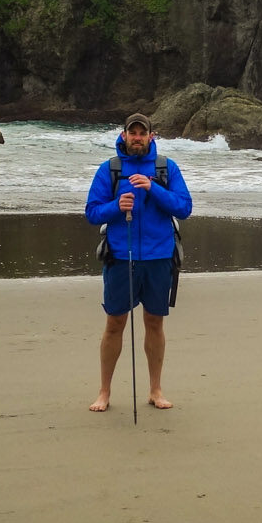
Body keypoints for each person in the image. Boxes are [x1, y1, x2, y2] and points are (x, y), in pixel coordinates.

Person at [84, 112, 193, 412]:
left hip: (159, 257)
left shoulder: (166, 168)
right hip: (120, 256)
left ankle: (155, 390)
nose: (136, 138)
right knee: (115, 323)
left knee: (154, 322)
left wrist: (152, 188)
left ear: (151, 137)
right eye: (131, 133)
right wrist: (116, 207)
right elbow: (92, 212)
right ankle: (104, 392)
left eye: (141, 133)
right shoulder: (110, 169)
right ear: (123, 136)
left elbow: (184, 208)